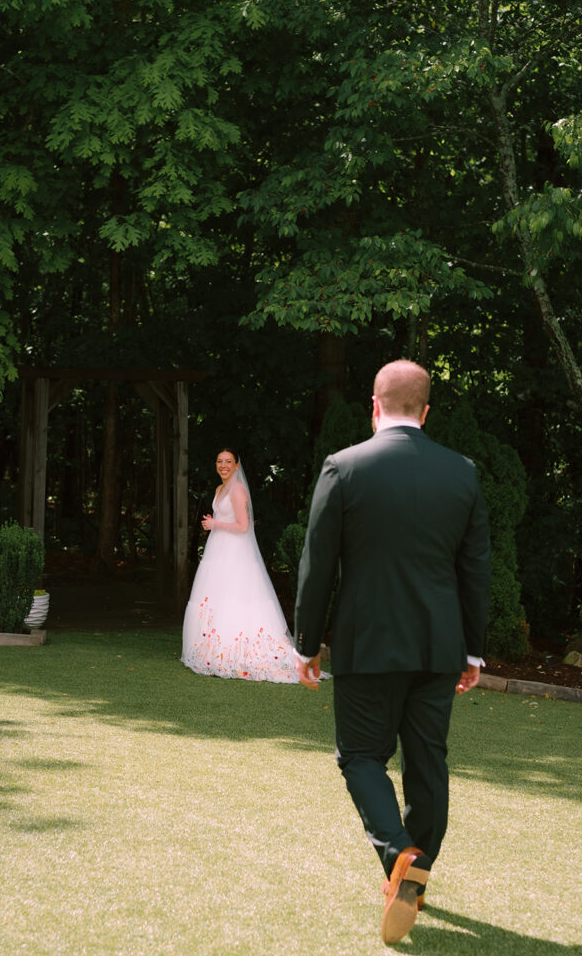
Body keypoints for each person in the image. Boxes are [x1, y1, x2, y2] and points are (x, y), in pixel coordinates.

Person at [293, 360, 491, 945]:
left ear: (374, 407)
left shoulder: (343, 467)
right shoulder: (462, 473)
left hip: (367, 642)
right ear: (426, 412)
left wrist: (307, 642)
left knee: (360, 757)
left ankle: (401, 855)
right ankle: (416, 871)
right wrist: (473, 652)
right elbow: (475, 569)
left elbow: (317, 562)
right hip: (437, 646)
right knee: (427, 762)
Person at [181, 449, 301, 683]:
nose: (223, 466)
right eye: (219, 461)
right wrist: (214, 524)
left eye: (228, 462)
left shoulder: (237, 490)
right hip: (218, 550)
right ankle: (210, 650)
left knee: (233, 598)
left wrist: (216, 523)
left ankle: (238, 653)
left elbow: (244, 527)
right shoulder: (219, 489)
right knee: (215, 597)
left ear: (237, 466)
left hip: (234, 552)